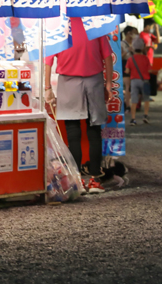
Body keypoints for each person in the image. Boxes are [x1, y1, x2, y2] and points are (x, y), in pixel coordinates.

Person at [44, 17, 113, 194]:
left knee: (73, 132)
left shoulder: (58, 28)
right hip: (94, 80)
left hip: (68, 81)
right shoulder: (95, 25)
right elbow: (107, 56)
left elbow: (48, 61)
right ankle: (95, 180)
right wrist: (108, 84)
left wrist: (47, 87)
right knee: (94, 130)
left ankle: (77, 181)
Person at [125, 37, 151, 125]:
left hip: (134, 81)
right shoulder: (145, 58)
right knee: (146, 99)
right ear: (143, 47)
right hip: (145, 80)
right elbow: (149, 70)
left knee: (134, 100)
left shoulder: (130, 59)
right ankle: (145, 116)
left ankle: (133, 118)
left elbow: (127, 71)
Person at [121, 26, 138, 113]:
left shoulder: (136, 43)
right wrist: (128, 50)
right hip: (126, 64)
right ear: (128, 33)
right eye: (134, 32)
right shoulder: (122, 44)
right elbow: (120, 56)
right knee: (128, 86)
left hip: (135, 65)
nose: (135, 35)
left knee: (134, 86)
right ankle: (128, 106)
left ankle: (135, 105)